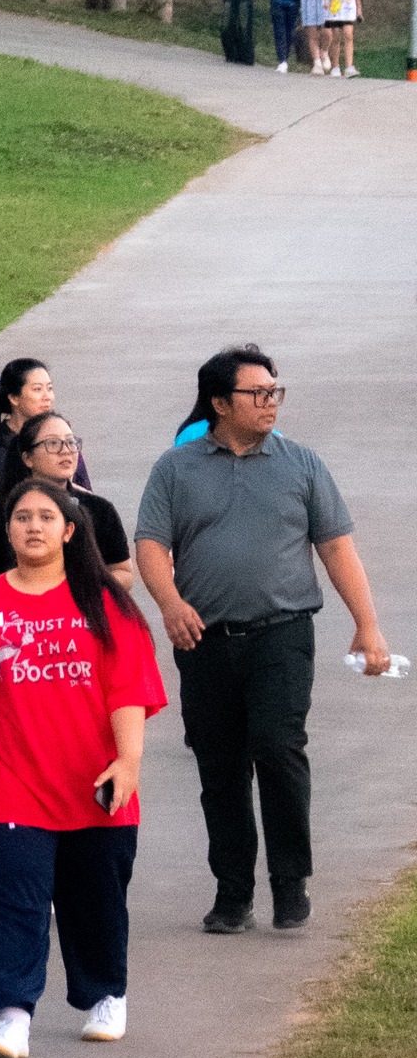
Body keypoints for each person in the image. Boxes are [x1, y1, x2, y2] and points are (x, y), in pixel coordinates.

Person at [136, 345, 390, 935]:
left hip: (283, 633)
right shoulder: (175, 469)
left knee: (278, 748)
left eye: (275, 391)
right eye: (257, 393)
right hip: (203, 640)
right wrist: (170, 604)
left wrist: (367, 623)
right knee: (220, 765)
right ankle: (233, 892)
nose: (271, 402)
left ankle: (289, 881)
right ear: (220, 403)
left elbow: (336, 547)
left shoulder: (301, 464)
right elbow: (150, 545)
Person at [0, 479, 166, 1058]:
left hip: (94, 783)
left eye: (45, 517)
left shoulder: (106, 602)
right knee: (16, 903)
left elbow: (128, 690)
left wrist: (128, 760)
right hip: (7, 783)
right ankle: (11, 1015)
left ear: (68, 530)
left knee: (96, 902)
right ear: (7, 530)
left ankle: (105, 995)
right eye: (22, 517)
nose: (33, 526)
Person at [0, 412, 132, 593]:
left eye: (71, 442)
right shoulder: (2, 512)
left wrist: (84, 591)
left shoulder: (99, 509)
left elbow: (123, 571)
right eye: (53, 443)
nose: (66, 450)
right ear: (28, 458)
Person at [0, 357, 89, 507]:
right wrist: (14, 514)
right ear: (14, 398)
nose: (48, 397)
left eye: (49, 388)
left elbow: (77, 488)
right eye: (37, 389)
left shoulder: (60, 433)